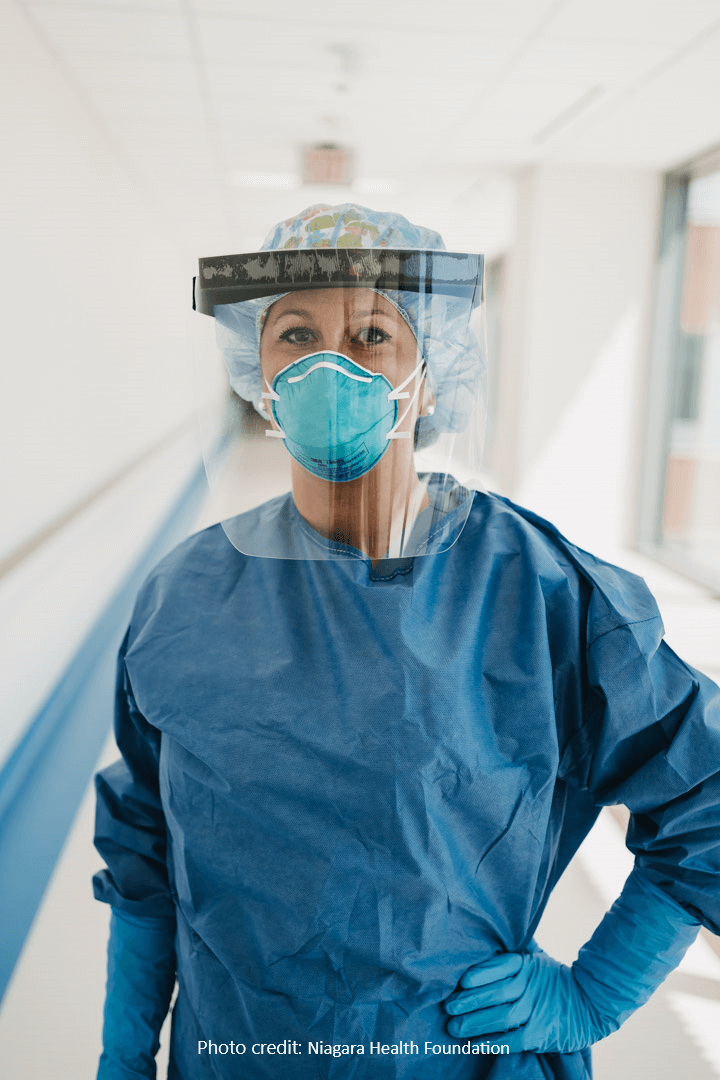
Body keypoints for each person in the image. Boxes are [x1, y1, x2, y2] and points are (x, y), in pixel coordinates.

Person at [93, 204, 720, 1080]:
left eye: (373, 336)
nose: (328, 366)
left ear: (430, 375)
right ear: (256, 367)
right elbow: (145, 848)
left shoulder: (533, 589)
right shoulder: (183, 595)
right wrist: (123, 1056)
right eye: (296, 334)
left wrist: (595, 993)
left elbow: (709, 792)